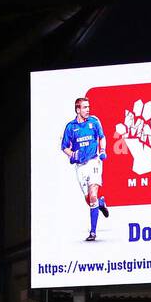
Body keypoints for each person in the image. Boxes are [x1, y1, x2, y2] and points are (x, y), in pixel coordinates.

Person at [60, 96, 110, 241]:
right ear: (78, 109)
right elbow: (64, 147)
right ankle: (100, 203)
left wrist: (102, 150)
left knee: (93, 194)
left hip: (94, 162)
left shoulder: (94, 122)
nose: (88, 110)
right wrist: (72, 154)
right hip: (80, 167)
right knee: (90, 200)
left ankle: (93, 232)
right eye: (84, 107)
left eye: (88, 107)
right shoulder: (71, 127)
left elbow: (102, 137)